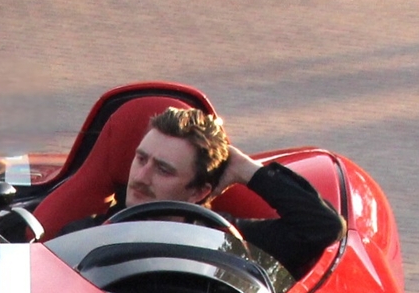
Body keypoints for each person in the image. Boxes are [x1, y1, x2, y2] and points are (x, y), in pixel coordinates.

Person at [56, 107, 347, 279]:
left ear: (199, 192)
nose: (141, 177)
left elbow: (322, 227)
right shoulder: (80, 235)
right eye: (141, 159)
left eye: (164, 170)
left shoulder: (232, 242)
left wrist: (246, 170)